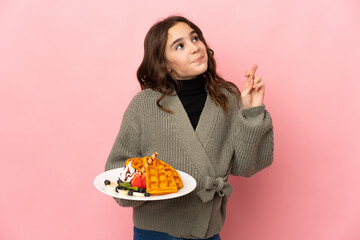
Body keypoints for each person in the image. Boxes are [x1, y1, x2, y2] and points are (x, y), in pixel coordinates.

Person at [105, 15, 274, 240]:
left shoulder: (229, 97)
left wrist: (253, 112)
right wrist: (154, 186)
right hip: (155, 232)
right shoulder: (144, 105)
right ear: (164, 63)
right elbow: (116, 168)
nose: (194, 48)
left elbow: (246, 167)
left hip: (206, 230)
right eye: (180, 45)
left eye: (195, 38)